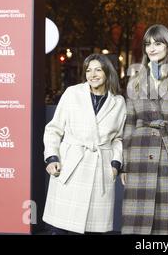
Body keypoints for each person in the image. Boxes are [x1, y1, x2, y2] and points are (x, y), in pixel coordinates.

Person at [120, 24, 168, 234]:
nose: (152, 48)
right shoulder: (135, 81)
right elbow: (129, 125)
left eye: (157, 43)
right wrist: (125, 164)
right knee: (138, 224)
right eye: (148, 44)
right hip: (139, 157)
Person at [42, 54, 126, 234]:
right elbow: (54, 129)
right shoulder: (73, 93)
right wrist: (51, 157)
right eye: (88, 70)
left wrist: (115, 164)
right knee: (62, 228)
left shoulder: (118, 102)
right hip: (71, 166)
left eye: (97, 69)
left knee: (93, 229)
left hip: (100, 170)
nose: (92, 74)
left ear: (107, 73)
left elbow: (119, 138)